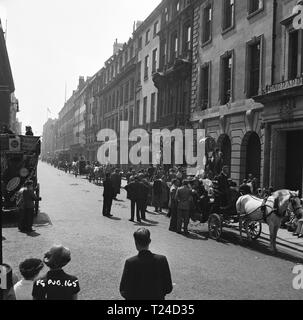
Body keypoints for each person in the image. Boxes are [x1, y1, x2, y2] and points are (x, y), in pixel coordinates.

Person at [119, 228, 173, 300]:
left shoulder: (130, 262)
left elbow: (124, 290)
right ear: (149, 241)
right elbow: (168, 288)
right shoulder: (162, 260)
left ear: (135, 242)